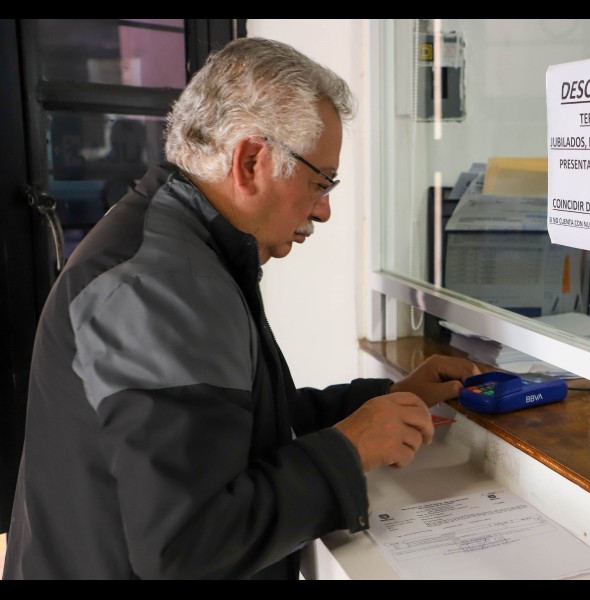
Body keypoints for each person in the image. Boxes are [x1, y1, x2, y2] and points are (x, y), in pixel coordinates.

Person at [3, 37, 480, 580]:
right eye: (319, 183)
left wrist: (382, 403)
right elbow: (187, 547)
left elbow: (226, 428)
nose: (323, 210)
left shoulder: (174, 242)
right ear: (251, 162)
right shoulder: (163, 287)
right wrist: (349, 451)